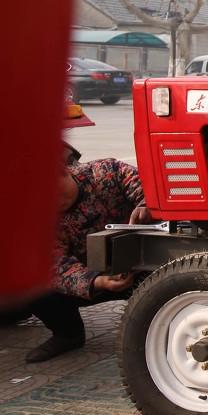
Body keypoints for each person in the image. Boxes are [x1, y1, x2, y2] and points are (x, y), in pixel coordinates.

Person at [25, 148, 153, 362]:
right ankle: (68, 334)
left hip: (144, 268)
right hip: (94, 279)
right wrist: (98, 281)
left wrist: (146, 206)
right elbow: (55, 265)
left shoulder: (107, 172)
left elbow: (149, 189)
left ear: (64, 172)